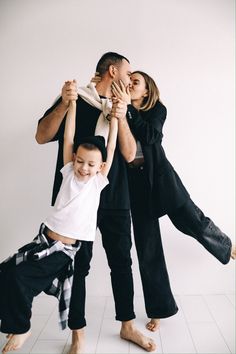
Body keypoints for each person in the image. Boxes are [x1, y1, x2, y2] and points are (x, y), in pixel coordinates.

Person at [35, 53, 156, 353]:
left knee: (121, 262)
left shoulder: (125, 108)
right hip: (75, 203)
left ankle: (127, 325)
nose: (131, 81)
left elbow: (130, 155)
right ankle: (78, 333)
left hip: (115, 196)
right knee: (77, 266)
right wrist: (64, 103)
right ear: (113, 72)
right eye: (128, 74)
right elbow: (41, 136)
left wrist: (122, 114)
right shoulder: (75, 98)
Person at [110, 71, 236, 333]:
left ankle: (228, 247)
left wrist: (129, 112)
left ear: (146, 91)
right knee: (148, 250)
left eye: (136, 83)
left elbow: (152, 137)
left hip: (163, 181)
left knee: (194, 221)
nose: (130, 85)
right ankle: (159, 310)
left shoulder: (157, 110)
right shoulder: (117, 109)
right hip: (136, 189)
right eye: (128, 81)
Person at [0, 95, 118, 353]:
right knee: (5, 272)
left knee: (20, 279)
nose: (84, 168)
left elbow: (111, 145)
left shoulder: (97, 183)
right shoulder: (68, 172)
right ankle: (11, 323)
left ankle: (21, 327)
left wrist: (117, 120)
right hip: (44, 239)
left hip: (63, 250)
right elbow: (68, 136)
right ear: (74, 158)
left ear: (101, 167)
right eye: (80, 161)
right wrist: (73, 105)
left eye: (90, 165)